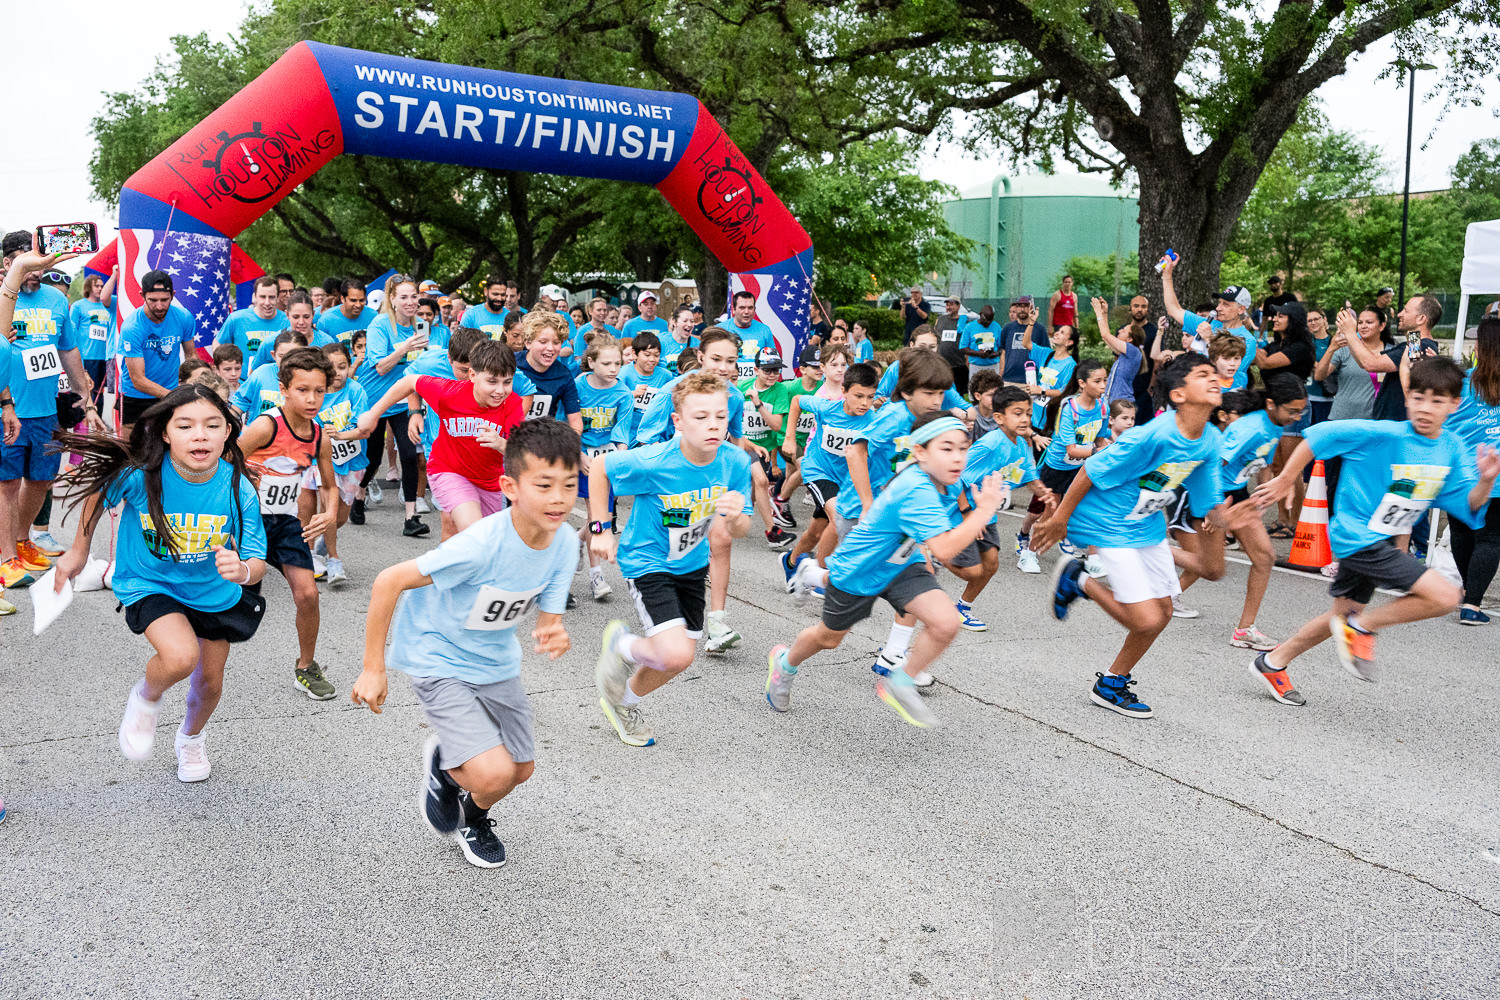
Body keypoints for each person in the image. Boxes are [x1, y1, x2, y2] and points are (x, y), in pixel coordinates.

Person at [350, 419, 580, 868]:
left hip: (495, 660)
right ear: (509, 486)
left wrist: (553, 628)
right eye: (544, 485)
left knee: (520, 769)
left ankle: (471, 810)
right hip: (437, 653)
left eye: (569, 485)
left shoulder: (565, 540)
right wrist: (373, 668)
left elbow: (549, 611)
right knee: (491, 770)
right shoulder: (480, 545)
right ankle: (451, 770)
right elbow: (389, 580)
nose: (558, 498)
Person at [53, 384, 268, 782]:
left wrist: (243, 571)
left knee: (209, 682)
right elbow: (99, 494)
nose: (200, 434)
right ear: (166, 434)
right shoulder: (142, 475)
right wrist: (79, 551)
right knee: (180, 657)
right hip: (150, 582)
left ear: (227, 433)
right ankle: (146, 697)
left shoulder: (238, 487)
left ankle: (190, 739)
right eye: (185, 425)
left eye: (212, 425)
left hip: (211, 591)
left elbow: (257, 560)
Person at [1253, 357, 1498, 694]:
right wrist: (1286, 478)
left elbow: (1467, 504)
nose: (1425, 408)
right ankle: (1363, 628)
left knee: (1340, 617)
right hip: (1356, 536)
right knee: (1445, 596)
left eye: (1437, 401)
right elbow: (1322, 434)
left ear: (1455, 404)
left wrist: (1486, 481)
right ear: (1408, 397)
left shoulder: (1451, 449)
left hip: (1378, 541)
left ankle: (1273, 662)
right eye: (1418, 398)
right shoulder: (1385, 434)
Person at [1034, 352, 1234, 719]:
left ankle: (1111, 683)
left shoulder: (1208, 439)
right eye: (1203, 374)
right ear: (1178, 395)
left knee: (1165, 611)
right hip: (1108, 524)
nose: (1214, 378)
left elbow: (1208, 500)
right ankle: (1079, 579)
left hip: (1146, 526)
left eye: (1214, 373)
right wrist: (1060, 519)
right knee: (1144, 619)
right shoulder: (1152, 436)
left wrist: (1223, 518)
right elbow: (1090, 471)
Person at [776, 414, 1009, 727]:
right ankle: (785, 664)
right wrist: (983, 513)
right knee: (829, 639)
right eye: (947, 448)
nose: (957, 457)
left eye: (963, 449)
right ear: (920, 452)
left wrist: (968, 516)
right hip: (859, 568)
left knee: (945, 622)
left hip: (903, 565)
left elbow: (938, 534)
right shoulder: (916, 487)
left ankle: (901, 681)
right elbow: (944, 548)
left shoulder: (945, 480)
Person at [590, 372, 754, 747]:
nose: (713, 425)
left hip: (691, 565)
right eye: (700, 417)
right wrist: (601, 528)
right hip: (648, 561)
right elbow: (601, 469)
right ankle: (621, 646)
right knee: (675, 651)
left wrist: (737, 513)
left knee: (678, 660)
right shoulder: (654, 461)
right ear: (678, 422)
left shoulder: (734, 462)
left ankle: (623, 703)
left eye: (720, 416)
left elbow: (740, 530)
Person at [1175, 377, 1308, 658]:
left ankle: (1244, 630)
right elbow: (1211, 465)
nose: (1297, 417)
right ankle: (1150, 561)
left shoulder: (1274, 425)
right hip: (1214, 494)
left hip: (1239, 494)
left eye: (1301, 412)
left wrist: (1266, 493)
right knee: (1210, 566)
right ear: (1272, 404)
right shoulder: (1251, 428)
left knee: (1264, 557)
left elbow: (1264, 465)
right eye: (1293, 411)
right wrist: (1214, 506)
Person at [0, 232, 101, 592]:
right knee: (8, 484)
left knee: (41, 480)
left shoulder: (57, 300)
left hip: (45, 410)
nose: (35, 270)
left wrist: (87, 400)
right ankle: (5, 558)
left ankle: (23, 540)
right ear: (8, 264)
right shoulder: (2, 300)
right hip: (9, 408)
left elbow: (69, 351)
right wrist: (5, 401)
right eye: (26, 262)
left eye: (39, 262)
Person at [239, 348, 339, 700]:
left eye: (320, 390)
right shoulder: (267, 425)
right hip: (245, 521)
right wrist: (244, 475)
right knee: (225, 600)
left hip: (283, 522)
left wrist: (328, 513)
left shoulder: (318, 436)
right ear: (284, 389)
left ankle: (306, 667)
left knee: (308, 594)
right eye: (303, 390)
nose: (312, 399)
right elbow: (226, 458)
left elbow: (329, 485)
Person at [348, 338, 522, 538]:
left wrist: (502, 444)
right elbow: (409, 381)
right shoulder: (450, 392)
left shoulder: (512, 405)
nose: (500, 390)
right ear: (472, 375)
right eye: (492, 381)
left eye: (507, 382)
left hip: (489, 481)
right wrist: (373, 414)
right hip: (448, 471)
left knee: (483, 541)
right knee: (473, 530)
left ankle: (443, 568)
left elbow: (521, 453)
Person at [945, 387, 1057, 630]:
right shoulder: (990, 444)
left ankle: (962, 608)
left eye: (1028, 413)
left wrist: (1045, 493)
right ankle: (933, 553)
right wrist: (968, 515)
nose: (1025, 419)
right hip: (961, 510)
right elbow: (955, 477)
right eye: (1017, 413)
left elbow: (1027, 475)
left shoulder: (1021, 444)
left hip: (986, 513)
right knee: (971, 570)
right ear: (999, 417)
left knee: (991, 564)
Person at [778, 362, 880, 582]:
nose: (864, 403)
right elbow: (796, 401)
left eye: (870, 397)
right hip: (819, 472)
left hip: (846, 482)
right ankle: (825, 577)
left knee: (816, 532)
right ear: (844, 391)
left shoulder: (873, 421)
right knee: (840, 519)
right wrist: (790, 437)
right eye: (859, 396)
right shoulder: (827, 407)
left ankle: (791, 562)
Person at [1016, 359, 1110, 574]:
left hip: (1083, 467)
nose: (1103, 385)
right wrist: (1099, 451)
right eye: (1097, 381)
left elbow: (1101, 438)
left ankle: (1094, 559)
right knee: (1051, 512)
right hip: (1058, 467)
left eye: (1104, 380)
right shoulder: (1069, 408)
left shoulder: (1103, 406)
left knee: (1093, 507)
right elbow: (1072, 450)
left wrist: (1109, 447)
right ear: (1082, 383)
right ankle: (1028, 554)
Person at [360, 275, 430, 537]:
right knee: (372, 459)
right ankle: (359, 495)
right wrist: (405, 347)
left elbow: (421, 366)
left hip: (404, 401)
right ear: (392, 299)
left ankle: (410, 518)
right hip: (375, 399)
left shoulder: (421, 325)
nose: (411, 302)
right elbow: (380, 368)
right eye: (404, 297)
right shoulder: (380, 325)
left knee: (410, 455)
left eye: (414, 296)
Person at [1449, 317, 1500, 624]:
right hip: (1495, 471)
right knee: (1491, 537)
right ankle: (1473, 603)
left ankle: (1469, 591)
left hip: (1463, 470)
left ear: (1480, 346)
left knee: (1462, 531)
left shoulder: (1462, 382)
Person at [575, 339, 634, 600]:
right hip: (578, 454)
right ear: (591, 363)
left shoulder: (623, 393)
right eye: (607, 363)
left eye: (618, 364)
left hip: (605, 459)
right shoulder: (577, 387)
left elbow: (622, 433)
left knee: (599, 517)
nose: (613, 369)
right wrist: (577, 454)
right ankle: (596, 574)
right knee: (596, 517)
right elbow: (566, 421)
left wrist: (618, 460)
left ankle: (574, 543)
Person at [306, 342, 369, 583]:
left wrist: (341, 435)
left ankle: (319, 550)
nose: (338, 372)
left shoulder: (355, 390)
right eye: (332, 367)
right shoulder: (316, 393)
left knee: (340, 517)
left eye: (343, 366)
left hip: (353, 461)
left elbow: (363, 429)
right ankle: (332, 561)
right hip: (322, 461)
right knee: (327, 510)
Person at [118, 269, 197, 434]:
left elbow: (191, 356)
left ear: (173, 295)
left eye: (164, 300)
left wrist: (195, 384)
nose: (159, 306)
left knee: (167, 449)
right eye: (153, 300)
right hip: (135, 397)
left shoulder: (184, 317)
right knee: (131, 453)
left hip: (170, 393)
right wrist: (175, 396)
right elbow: (138, 380)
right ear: (142, 295)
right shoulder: (132, 327)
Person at [1161, 256, 1256, 389]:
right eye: (1219, 303)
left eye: (1226, 304)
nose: (1218, 308)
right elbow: (1173, 309)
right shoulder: (1210, 324)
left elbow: (1229, 376)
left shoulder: (1248, 340)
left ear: (1241, 309)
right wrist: (1167, 275)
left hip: (1224, 401)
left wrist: (1209, 339)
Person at [516, 311, 585, 434]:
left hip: (543, 440)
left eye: (556, 342)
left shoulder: (564, 375)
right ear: (528, 343)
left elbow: (575, 420)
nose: (550, 348)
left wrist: (570, 443)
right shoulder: (510, 364)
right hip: (507, 437)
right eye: (543, 342)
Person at [217, 275, 288, 376]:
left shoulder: (287, 321)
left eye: (271, 297)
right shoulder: (237, 318)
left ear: (277, 298)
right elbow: (218, 343)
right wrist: (225, 369)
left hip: (276, 383)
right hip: (243, 382)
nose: (267, 302)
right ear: (254, 297)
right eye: (263, 297)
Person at [229, 331, 307, 420]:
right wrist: (242, 428)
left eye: (294, 356)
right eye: (282, 356)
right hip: (257, 432)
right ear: (273, 355)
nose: (287, 361)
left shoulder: (311, 378)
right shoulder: (261, 373)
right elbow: (237, 407)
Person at [70, 267, 117, 414]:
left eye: (102, 286)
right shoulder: (79, 306)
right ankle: (83, 424)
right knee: (87, 390)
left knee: (100, 392)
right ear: (88, 287)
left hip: (105, 356)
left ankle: (99, 421)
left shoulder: (110, 304)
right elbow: (71, 332)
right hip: (87, 356)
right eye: (97, 286)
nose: (100, 288)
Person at [1025, 322, 1080, 443]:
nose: (1056, 333)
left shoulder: (1070, 365)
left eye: (1062, 332)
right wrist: (1031, 323)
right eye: (1058, 330)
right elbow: (1026, 343)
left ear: (1069, 342)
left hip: (1052, 421)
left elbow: (1065, 392)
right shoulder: (1046, 354)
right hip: (1035, 417)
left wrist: (1042, 391)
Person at [621, 331, 673, 443]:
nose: (652, 359)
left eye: (656, 355)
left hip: (654, 433)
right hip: (628, 432)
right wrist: (633, 394)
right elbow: (614, 397)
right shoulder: (625, 373)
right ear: (634, 354)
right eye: (647, 355)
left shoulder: (666, 376)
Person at [1091, 297, 1145, 405]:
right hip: (1112, 401)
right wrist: (1105, 312)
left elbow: (1105, 334)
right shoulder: (1125, 353)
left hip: (1122, 403)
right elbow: (1106, 337)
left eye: (1124, 330)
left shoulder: (1133, 351)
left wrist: (1098, 312)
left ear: (1130, 339)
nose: (1119, 330)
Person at [1000, 299, 1046, 388]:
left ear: (1030, 308)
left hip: (1031, 380)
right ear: (1016, 308)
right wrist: (1001, 374)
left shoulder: (1039, 329)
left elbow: (1044, 355)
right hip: (1009, 379)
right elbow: (1003, 352)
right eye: (1019, 306)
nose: (1022, 309)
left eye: (1025, 306)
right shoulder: (1007, 328)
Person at [316, 278, 376, 347]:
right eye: (353, 300)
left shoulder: (373, 317)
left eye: (362, 300)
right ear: (342, 299)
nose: (358, 305)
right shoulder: (325, 320)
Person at [933, 295, 968, 396]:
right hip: (942, 363)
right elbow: (935, 336)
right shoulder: (940, 320)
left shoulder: (963, 321)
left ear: (958, 306)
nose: (948, 307)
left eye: (951, 305)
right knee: (942, 390)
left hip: (958, 363)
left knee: (958, 392)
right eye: (947, 305)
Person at [959, 305, 1002, 385]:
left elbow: (1001, 347)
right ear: (980, 314)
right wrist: (978, 354)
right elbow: (963, 348)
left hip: (993, 365)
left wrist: (996, 353)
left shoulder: (997, 326)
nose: (988, 324)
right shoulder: (969, 327)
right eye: (986, 321)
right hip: (976, 366)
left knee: (994, 390)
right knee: (976, 390)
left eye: (990, 321)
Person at [657, 305, 698, 372]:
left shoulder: (697, 344)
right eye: (685, 321)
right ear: (675, 323)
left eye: (692, 321)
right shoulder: (660, 340)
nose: (689, 324)